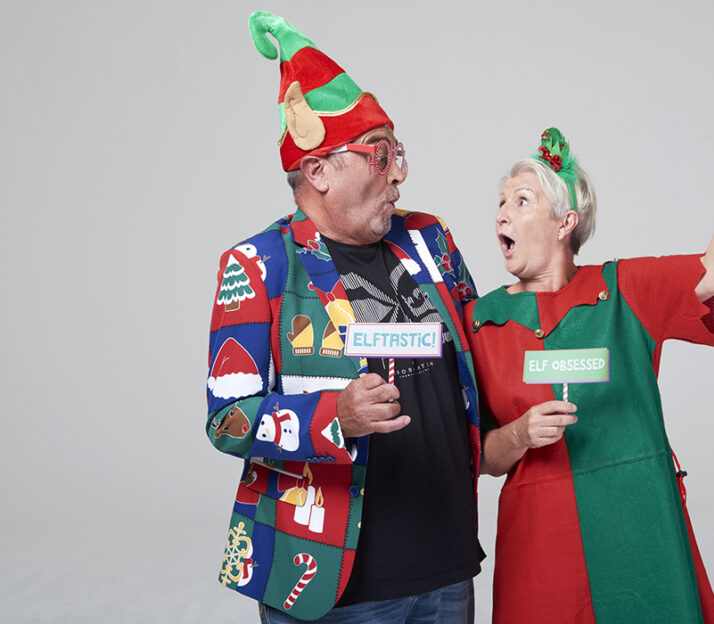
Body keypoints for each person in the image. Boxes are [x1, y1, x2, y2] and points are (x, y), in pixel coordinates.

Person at [206, 12, 482, 623]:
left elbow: (481, 343)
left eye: (398, 153)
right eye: (380, 156)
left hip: (446, 566)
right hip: (332, 582)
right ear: (319, 171)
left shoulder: (429, 240)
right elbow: (227, 419)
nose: (400, 174)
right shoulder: (259, 266)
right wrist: (338, 416)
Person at [463, 98, 714, 623]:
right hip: (540, 538)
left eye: (521, 200)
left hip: (637, 524)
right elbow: (485, 457)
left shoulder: (625, 289)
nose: (502, 213)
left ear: (566, 221)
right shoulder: (480, 322)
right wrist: (520, 433)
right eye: (500, 203)